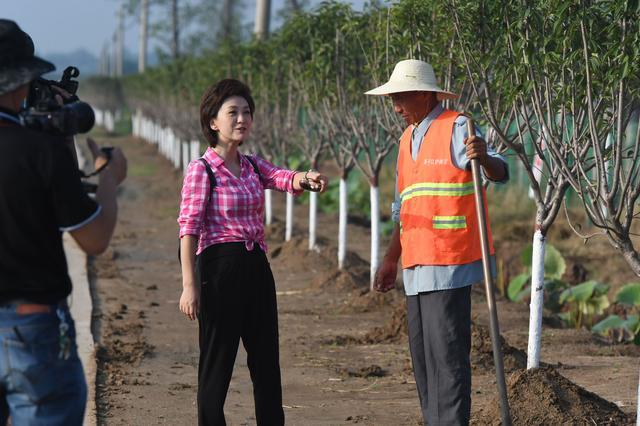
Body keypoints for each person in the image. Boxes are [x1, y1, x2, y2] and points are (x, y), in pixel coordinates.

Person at [178, 78, 328, 426]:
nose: (242, 119)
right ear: (213, 122)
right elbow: (188, 229)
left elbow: (279, 177)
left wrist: (305, 177)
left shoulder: (251, 165)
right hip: (218, 271)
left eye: (246, 112)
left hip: (256, 269)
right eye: (233, 112)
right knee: (217, 365)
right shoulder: (201, 170)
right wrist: (189, 284)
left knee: (266, 363)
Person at [367, 59, 509, 425]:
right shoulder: (405, 139)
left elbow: (499, 170)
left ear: (427, 94)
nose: (396, 107)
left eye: (402, 97)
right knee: (424, 358)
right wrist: (389, 259)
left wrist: (485, 157)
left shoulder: (457, 126)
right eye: (393, 99)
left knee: (447, 358)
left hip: (449, 261)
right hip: (415, 263)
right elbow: (403, 205)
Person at [0, 20, 128, 425]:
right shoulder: (39, 149)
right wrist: (108, 176)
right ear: (20, 82)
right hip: (29, 329)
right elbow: (93, 238)